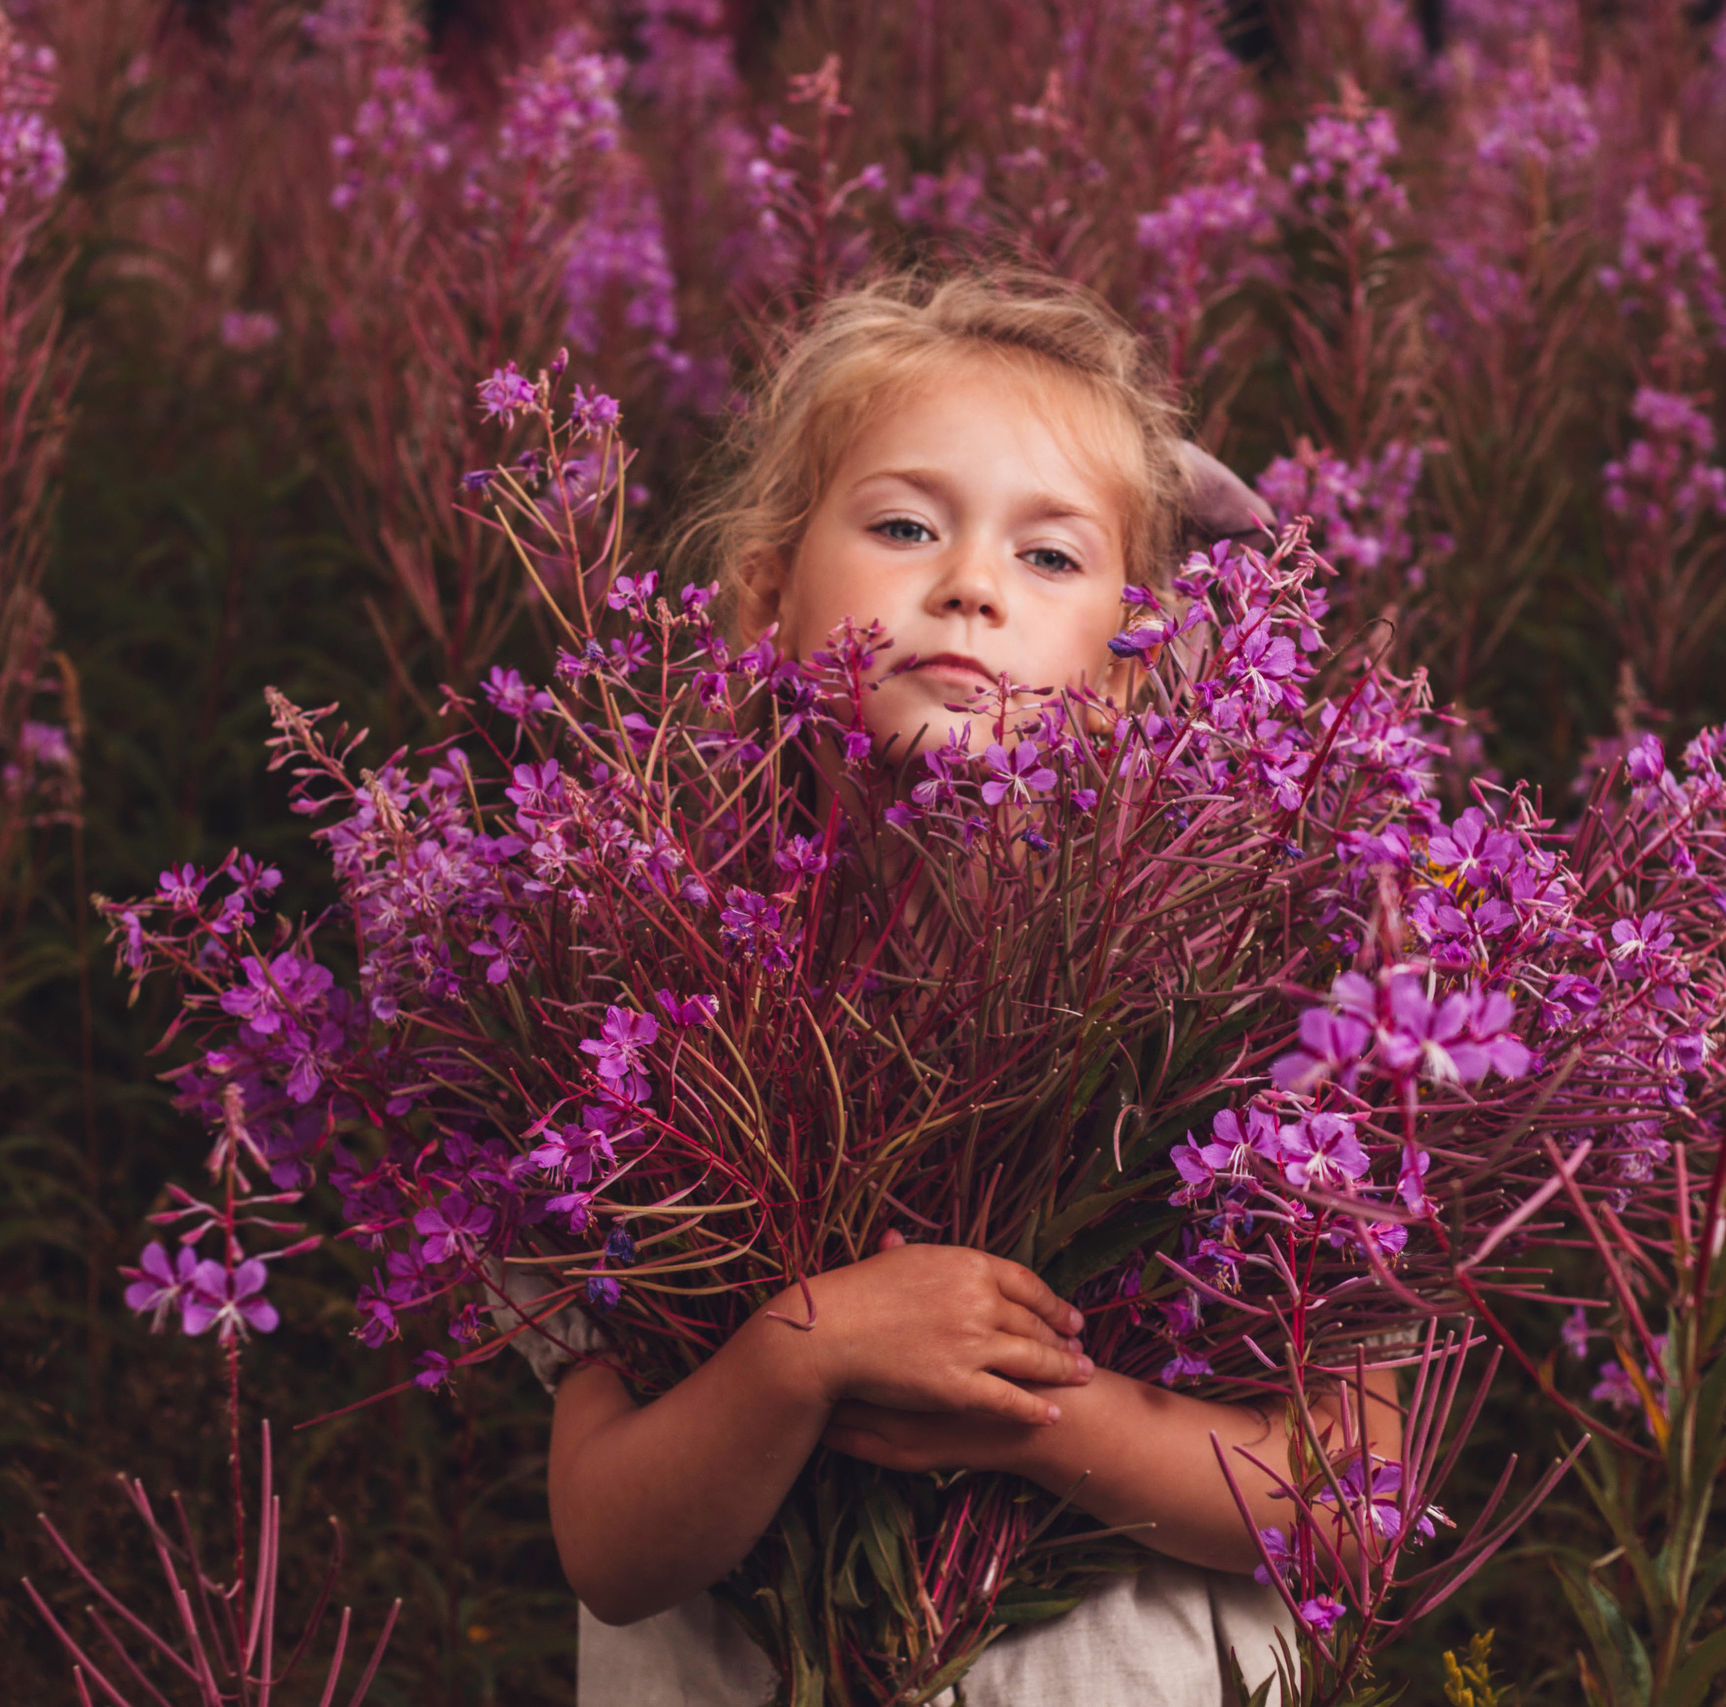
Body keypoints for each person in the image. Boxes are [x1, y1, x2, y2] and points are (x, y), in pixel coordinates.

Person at [519, 271, 1400, 1705]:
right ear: (762, 597)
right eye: (904, 526)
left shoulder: (1258, 1007)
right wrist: (802, 1358)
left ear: (1139, 660)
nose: (972, 584)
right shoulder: (631, 1003)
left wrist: (1036, 1419)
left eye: (1052, 557)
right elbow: (612, 1545)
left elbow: (1350, 1509)